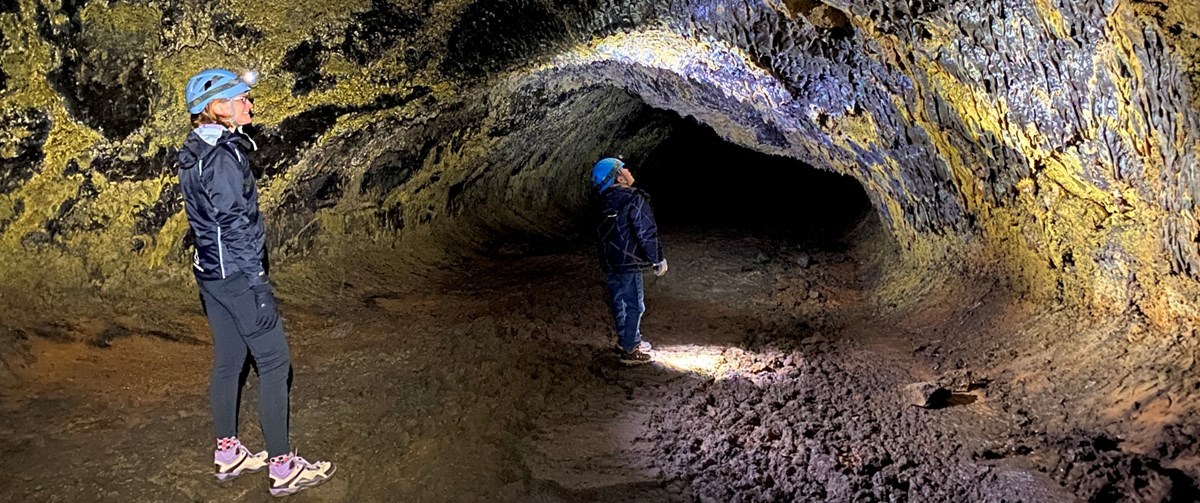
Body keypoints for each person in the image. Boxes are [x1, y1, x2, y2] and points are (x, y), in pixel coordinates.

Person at [177, 68, 335, 497]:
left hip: (209, 273)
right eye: (241, 98)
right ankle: (283, 466)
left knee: (230, 359)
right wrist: (258, 283)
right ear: (218, 107)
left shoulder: (193, 150)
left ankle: (228, 452)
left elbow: (203, 222)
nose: (250, 104)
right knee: (274, 362)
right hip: (236, 277)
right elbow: (234, 225)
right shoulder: (224, 158)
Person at [592, 157, 668, 365]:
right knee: (635, 305)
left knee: (619, 302)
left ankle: (626, 339)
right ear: (618, 177)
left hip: (610, 263)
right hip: (629, 263)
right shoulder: (634, 199)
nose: (629, 171)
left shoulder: (601, 203)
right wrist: (657, 258)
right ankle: (631, 349)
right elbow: (645, 232)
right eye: (624, 169)